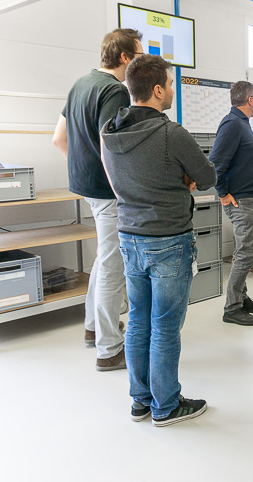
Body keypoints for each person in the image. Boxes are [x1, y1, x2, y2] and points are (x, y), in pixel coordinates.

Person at [101, 54, 217, 426]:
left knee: (138, 322)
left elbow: (119, 181)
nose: (171, 91)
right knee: (165, 327)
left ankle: (141, 400)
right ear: (155, 90)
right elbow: (208, 176)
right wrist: (183, 179)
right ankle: (166, 405)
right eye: (168, 84)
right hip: (168, 240)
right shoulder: (172, 134)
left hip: (129, 237)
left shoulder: (110, 132)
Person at [53, 28, 142, 371]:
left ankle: (93, 327)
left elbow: (58, 138)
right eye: (138, 54)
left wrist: (83, 170)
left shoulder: (80, 84)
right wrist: (122, 189)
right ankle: (108, 348)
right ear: (124, 58)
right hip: (108, 192)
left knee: (103, 260)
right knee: (112, 267)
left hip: (86, 188)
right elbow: (111, 147)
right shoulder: (114, 90)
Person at [210, 81, 253, 326]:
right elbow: (215, 162)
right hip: (240, 200)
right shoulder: (232, 124)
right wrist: (222, 192)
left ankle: (241, 297)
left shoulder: (242, 124)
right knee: (246, 253)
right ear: (250, 99)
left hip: (248, 198)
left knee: (242, 251)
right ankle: (232, 307)